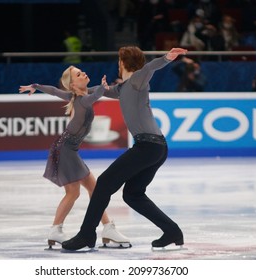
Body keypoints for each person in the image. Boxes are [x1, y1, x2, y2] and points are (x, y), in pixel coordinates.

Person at [62, 47, 188, 251]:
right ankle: (172, 231)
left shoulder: (138, 79)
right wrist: (77, 91)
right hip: (155, 147)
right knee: (133, 194)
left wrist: (167, 57)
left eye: (119, 61)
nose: (117, 65)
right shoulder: (123, 88)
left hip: (148, 146)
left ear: (123, 63)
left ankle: (86, 235)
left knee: (103, 183)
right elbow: (99, 91)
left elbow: (150, 68)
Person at [19, 66, 130, 249]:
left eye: (82, 71)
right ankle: (56, 230)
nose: (84, 73)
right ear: (72, 84)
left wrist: (36, 85)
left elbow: (54, 91)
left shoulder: (77, 95)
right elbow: (93, 97)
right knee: (73, 193)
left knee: (95, 190)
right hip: (65, 151)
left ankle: (108, 228)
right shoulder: (81, 99)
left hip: (69, 150)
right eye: (78, 74)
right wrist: (103, 88)